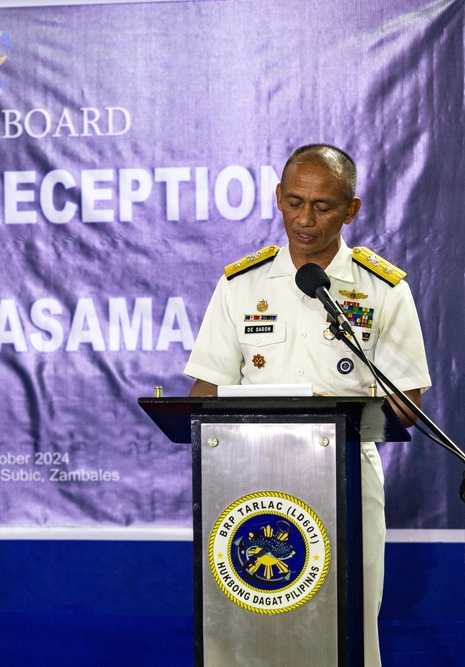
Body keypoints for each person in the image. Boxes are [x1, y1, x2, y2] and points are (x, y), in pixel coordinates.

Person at [184, 144, 431, 666]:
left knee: (348, 623)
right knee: (248, 616)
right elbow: (204, 393)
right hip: (247, 481)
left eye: (322, 206)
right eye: (294, 202)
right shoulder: (240, 285)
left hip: (346, 475)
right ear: (277, 197)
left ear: (352, 209)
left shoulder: (382, 288)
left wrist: (341, 413)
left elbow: (407, 401)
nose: (305, 218)